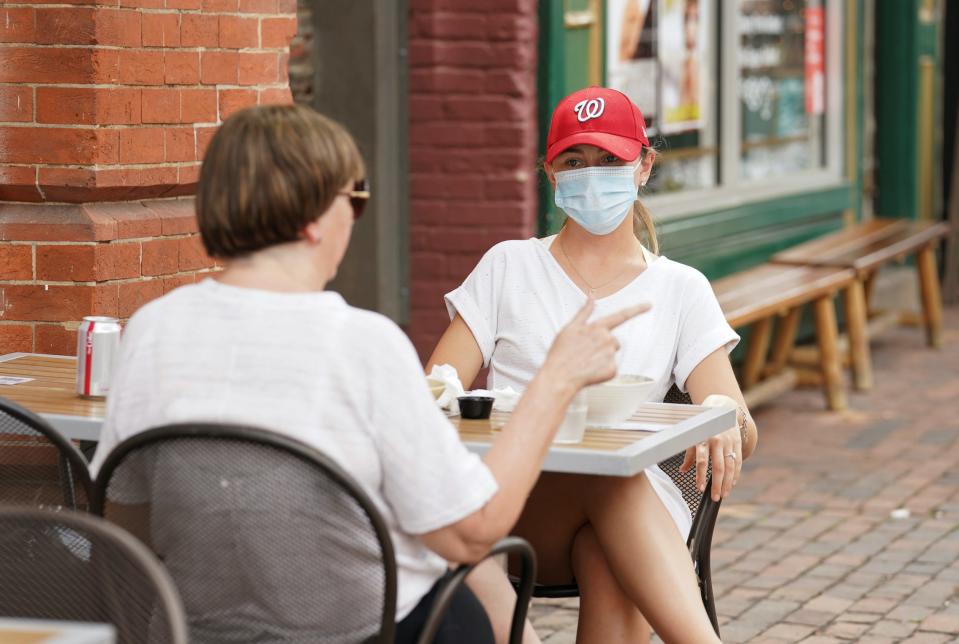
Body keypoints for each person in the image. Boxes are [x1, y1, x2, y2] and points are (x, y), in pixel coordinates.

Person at [88, 104, 648, 644]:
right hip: (370, 633)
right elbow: (473, 529)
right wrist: (554, 382)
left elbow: (127, 520)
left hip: (196, 631)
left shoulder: (152, 330)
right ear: (314, 219)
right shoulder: (362, 344)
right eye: (354, 200)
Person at [428, 86, 759, 644]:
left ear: (644, 165)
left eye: (611, 160)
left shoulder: (681, 288)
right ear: (551, 175)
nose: (593, 174)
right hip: (518, 509)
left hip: (630, 522)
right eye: (575, 162)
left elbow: (741, 428)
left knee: (614, 509)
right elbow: (434, 392)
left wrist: (724, 412)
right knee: (617, 479)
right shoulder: (508, 266)